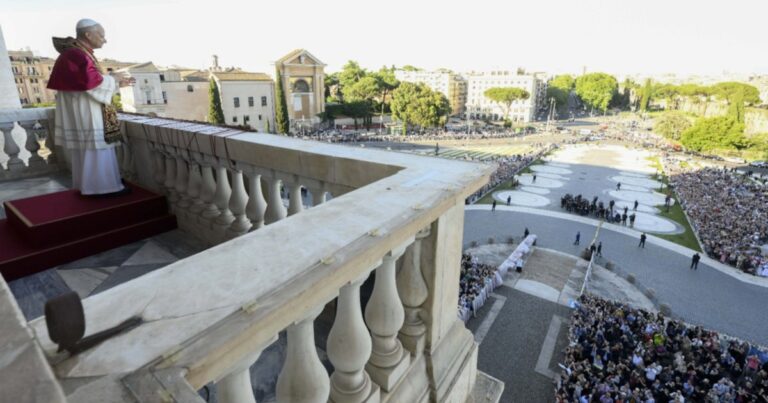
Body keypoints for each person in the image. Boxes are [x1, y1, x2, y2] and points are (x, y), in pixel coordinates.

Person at [48, 19, 134, 197]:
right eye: (101, 35)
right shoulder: (76, 55)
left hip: (85, 109)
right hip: (87, 111)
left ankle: (92, 185)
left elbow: (91, 81)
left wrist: (117, 83)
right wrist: (113, 78)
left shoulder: (76, 53)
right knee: (96, 148)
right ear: (88, 35)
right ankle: (102, 188)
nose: (105, 40)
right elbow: (91, 83)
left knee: (90, 150)